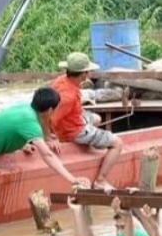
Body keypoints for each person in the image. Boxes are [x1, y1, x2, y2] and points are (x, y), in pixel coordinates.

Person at [0, 87, 88, 187]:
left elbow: (6, 127)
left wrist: (21, 144)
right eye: (56, 109)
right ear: (50, 110)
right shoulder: (31, 123)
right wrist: (72, 179)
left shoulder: (25, 108)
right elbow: (47, 155)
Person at [49, 52, 123, 189]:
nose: (88, 74)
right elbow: (50, 119)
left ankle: (89, 146)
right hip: (74, 130)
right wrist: (51, 138)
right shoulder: (68, 97)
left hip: (72, 119)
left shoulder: (61, 80)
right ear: (83, 74)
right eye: (87, 71)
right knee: (118, 143)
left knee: (96, 118)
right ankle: (100, 180)